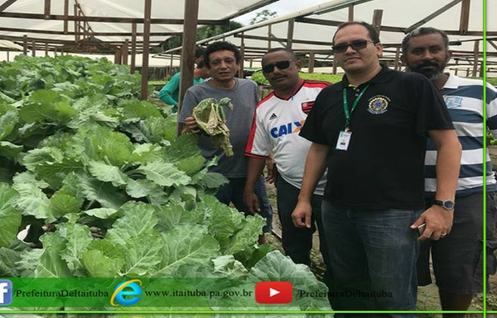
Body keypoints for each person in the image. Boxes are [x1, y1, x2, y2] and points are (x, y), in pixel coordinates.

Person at [291, 21, 461, 315]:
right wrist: (304, 198)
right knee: (346, 287)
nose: (349, 50)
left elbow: (448, 144)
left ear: (378, 48)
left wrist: (443, 205)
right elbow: (318, 148)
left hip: (391, 214)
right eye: (341, 46)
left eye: (359, 43)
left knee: (392, 296)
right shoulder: (330, 96)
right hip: (336, 210)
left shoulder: (410, 85)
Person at [401, 26, 497, 317]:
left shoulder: (481, 91)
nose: (426, 56)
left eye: (434, 50)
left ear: (448, 54)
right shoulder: (398, 93)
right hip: (408, 196)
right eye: (418, 51)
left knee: (460, 272)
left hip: (468, 195)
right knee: (403, 268)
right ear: (405, 57)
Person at [243, 47, 331, 272]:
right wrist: (250, 188)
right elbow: (257, 151)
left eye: (282, 64)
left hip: (332, 185)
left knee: (335, 246)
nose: (276, 71)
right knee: (294, 243)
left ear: (298, 65)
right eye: (268, 68)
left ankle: (337, 294)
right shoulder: (264, 108)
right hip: (290, 185)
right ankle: (301, 286)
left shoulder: (323, 92)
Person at [179, 41, 273, 238]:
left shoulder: (250, 87)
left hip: (249, 171)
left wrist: (269, 155)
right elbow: (183, 138)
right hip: (211, 173)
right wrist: (192, 127)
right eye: (216, 63)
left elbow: (259, 124)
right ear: (208, 68)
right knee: (210, 227)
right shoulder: (196, 93)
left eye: (229, 61)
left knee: (255, 224)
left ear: (238, 64)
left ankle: (257, 262)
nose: (223, 66)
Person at [158, 46, 209, 112]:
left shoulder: (202, 81)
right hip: (178, 116)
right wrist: (177, 105)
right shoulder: (180, 76)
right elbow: (163, 94)